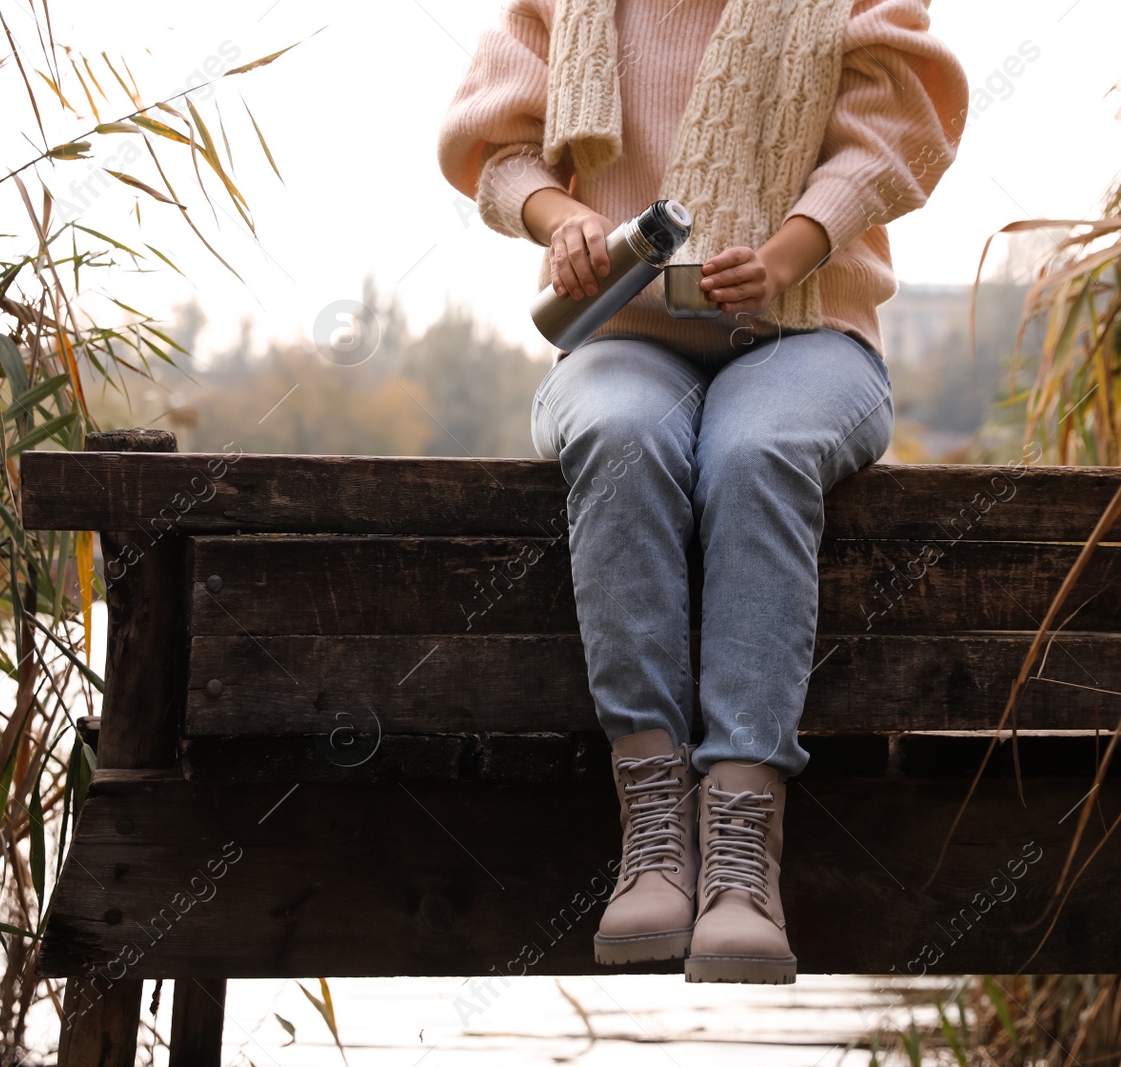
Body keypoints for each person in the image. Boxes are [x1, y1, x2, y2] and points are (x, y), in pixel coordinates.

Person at [438, 0, 967, 984]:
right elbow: (496, 144)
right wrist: (564, 223)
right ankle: (651, 827)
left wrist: (785, 252)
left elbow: (902, 128)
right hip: (623, 337)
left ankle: (738, 846)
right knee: (617, 433)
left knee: (754, 451)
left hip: (808, 331)